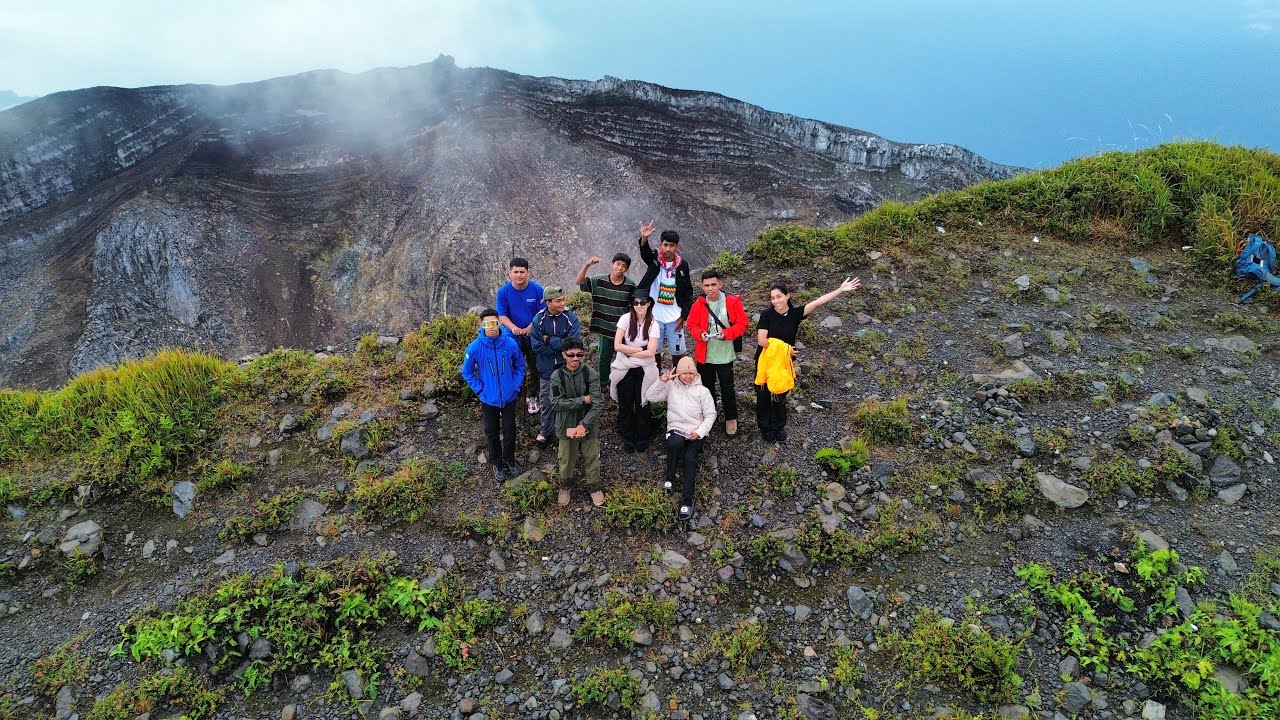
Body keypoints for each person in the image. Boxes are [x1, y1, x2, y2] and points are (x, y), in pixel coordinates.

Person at [755, 277, 861, 443]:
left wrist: (840, 290)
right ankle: (765, 428)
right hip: (765, 362)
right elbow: (762, 341)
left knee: (780, 395)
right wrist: (786, 349)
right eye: (773, 298)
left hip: (784, 363)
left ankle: (778, 426)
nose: (776, 301)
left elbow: (818, 302)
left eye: (779, 296)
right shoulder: (766, 315)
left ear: (787, 296)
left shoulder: (796, 314)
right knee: (763, 396)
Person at [645, 356, 716, 521]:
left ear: (696, 374)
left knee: (690, 458)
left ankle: (687, 499)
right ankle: (669, 479)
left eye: (691, 373)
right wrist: (661, 381)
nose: (688, 377)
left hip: (695, 431)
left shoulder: (702, 391)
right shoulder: (671, 386)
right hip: (676, 429)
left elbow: (710, 414)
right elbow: (650, 396)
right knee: (675, 444)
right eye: (684, 373)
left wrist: (699, 432)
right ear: (678, 373)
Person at [460, 308, 526, 482]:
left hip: (509, 396)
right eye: (486, 324)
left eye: (494, 323)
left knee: (510, 430)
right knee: (491, 431)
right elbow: (466, 372)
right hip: (488, 398)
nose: (491, 327)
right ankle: (497, 462)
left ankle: (510, 459)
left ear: (498, 323)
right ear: (481, 325)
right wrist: (480, 390)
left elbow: (520, 365)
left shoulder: (510, 343)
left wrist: (515, 386)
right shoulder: (474, 347)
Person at [685, 270, 749, 437]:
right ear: (702, 287)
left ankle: (731, 418)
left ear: (720, 284)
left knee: (727, 387)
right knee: (706, 387)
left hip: (725, 354)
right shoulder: (698, 305)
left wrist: (727, 334)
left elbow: (743, 324)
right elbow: (691, 325)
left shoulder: (732, 302)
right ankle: (709, 417)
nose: (710, 288)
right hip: (705, 354)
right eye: (707, 285)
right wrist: (700, 334)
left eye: (713, 284)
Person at [550, 338, 603, 506]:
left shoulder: (591, 374)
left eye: (579, 354)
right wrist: (582, 400)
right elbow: (556, 403)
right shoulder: (556, 376)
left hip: (589, 425)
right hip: (565, 425)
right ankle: (565, 487)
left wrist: (584, 424)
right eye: (571, 355)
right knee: (565, 459)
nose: (575, 359)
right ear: (563, 355)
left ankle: (594, 487)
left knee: (592, 457)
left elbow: (598, 402)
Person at [637, 220, 693, 372]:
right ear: (661, 245)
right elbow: (645, 254)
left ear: (677, 247)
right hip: (654, 317)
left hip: (675, 317)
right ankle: (657, 380)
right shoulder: (655, 260)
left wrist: (684, 316)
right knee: (655, 350)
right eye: (665, 245)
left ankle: (677, 378)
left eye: (671, 246)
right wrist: (644, 238)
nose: (668, 249)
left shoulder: (683, 265)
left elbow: (688, 291)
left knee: (677, 351)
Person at [530, 286, 582, 446]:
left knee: (572, 400)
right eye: (558, 301)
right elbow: (536, 347)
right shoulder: (538, 320)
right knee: (547, 402)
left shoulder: (571, 318)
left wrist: (548, 339)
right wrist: (560, 344)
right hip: (546, 370)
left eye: (563, 299)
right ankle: (546, 431)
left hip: (569, 368)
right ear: (548, 302)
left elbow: (573, 345)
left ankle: (573, 430)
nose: (563, 303)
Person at [610, 288, 660, 452]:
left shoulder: (653, 323)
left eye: (642, 302)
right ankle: (627, 435)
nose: (639, 305)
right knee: (626, 401)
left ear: (649, 303)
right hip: (625, 364)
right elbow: (617, 345)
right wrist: (640, 351)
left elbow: (651, 352)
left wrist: (630, 350)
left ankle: (642, 435)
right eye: (636, 302)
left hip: (644, 367)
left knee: (643, 401)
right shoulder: (625, 319)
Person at [575, 253, 635, 384]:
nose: (620, 268)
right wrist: (587, 264)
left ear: (626, 269)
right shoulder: (599, 280)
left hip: (622, 331)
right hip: (604, 329)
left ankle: (623, 384)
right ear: (612, 264)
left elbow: (633, 307)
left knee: (625, 359)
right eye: (618, 264)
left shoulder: (630, 286)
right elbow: (579, 282)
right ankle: (603, 384)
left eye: (624, 266)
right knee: (604, 358)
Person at [496, 258, 545, 415]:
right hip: (512, 336)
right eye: (515, 272)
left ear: (528, 272)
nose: (519, 275)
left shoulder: (537, 290)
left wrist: (531, 326)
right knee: (510, 366)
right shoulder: (503, 292)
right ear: (510, 273)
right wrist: (514, 328)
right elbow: (502, 315)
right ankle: (510, 396)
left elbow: (542, 312)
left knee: (534, 366)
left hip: (533, 334)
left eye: (522, 272)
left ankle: (531, 396)